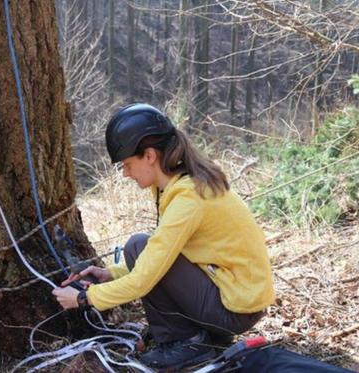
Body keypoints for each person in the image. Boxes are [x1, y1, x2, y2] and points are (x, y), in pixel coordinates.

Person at [52, 103, 276, 370]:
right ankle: (202, 338)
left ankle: (188, 343)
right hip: (232, 298)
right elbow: (163, 253)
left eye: (126, 164)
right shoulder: (183, 185)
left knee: (137, 245)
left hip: (235, 310)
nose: (125, 173)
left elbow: (144, 280)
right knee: (138, 246)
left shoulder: (188, 198)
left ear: (149, 156)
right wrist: (110, 274)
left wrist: (83, 299)